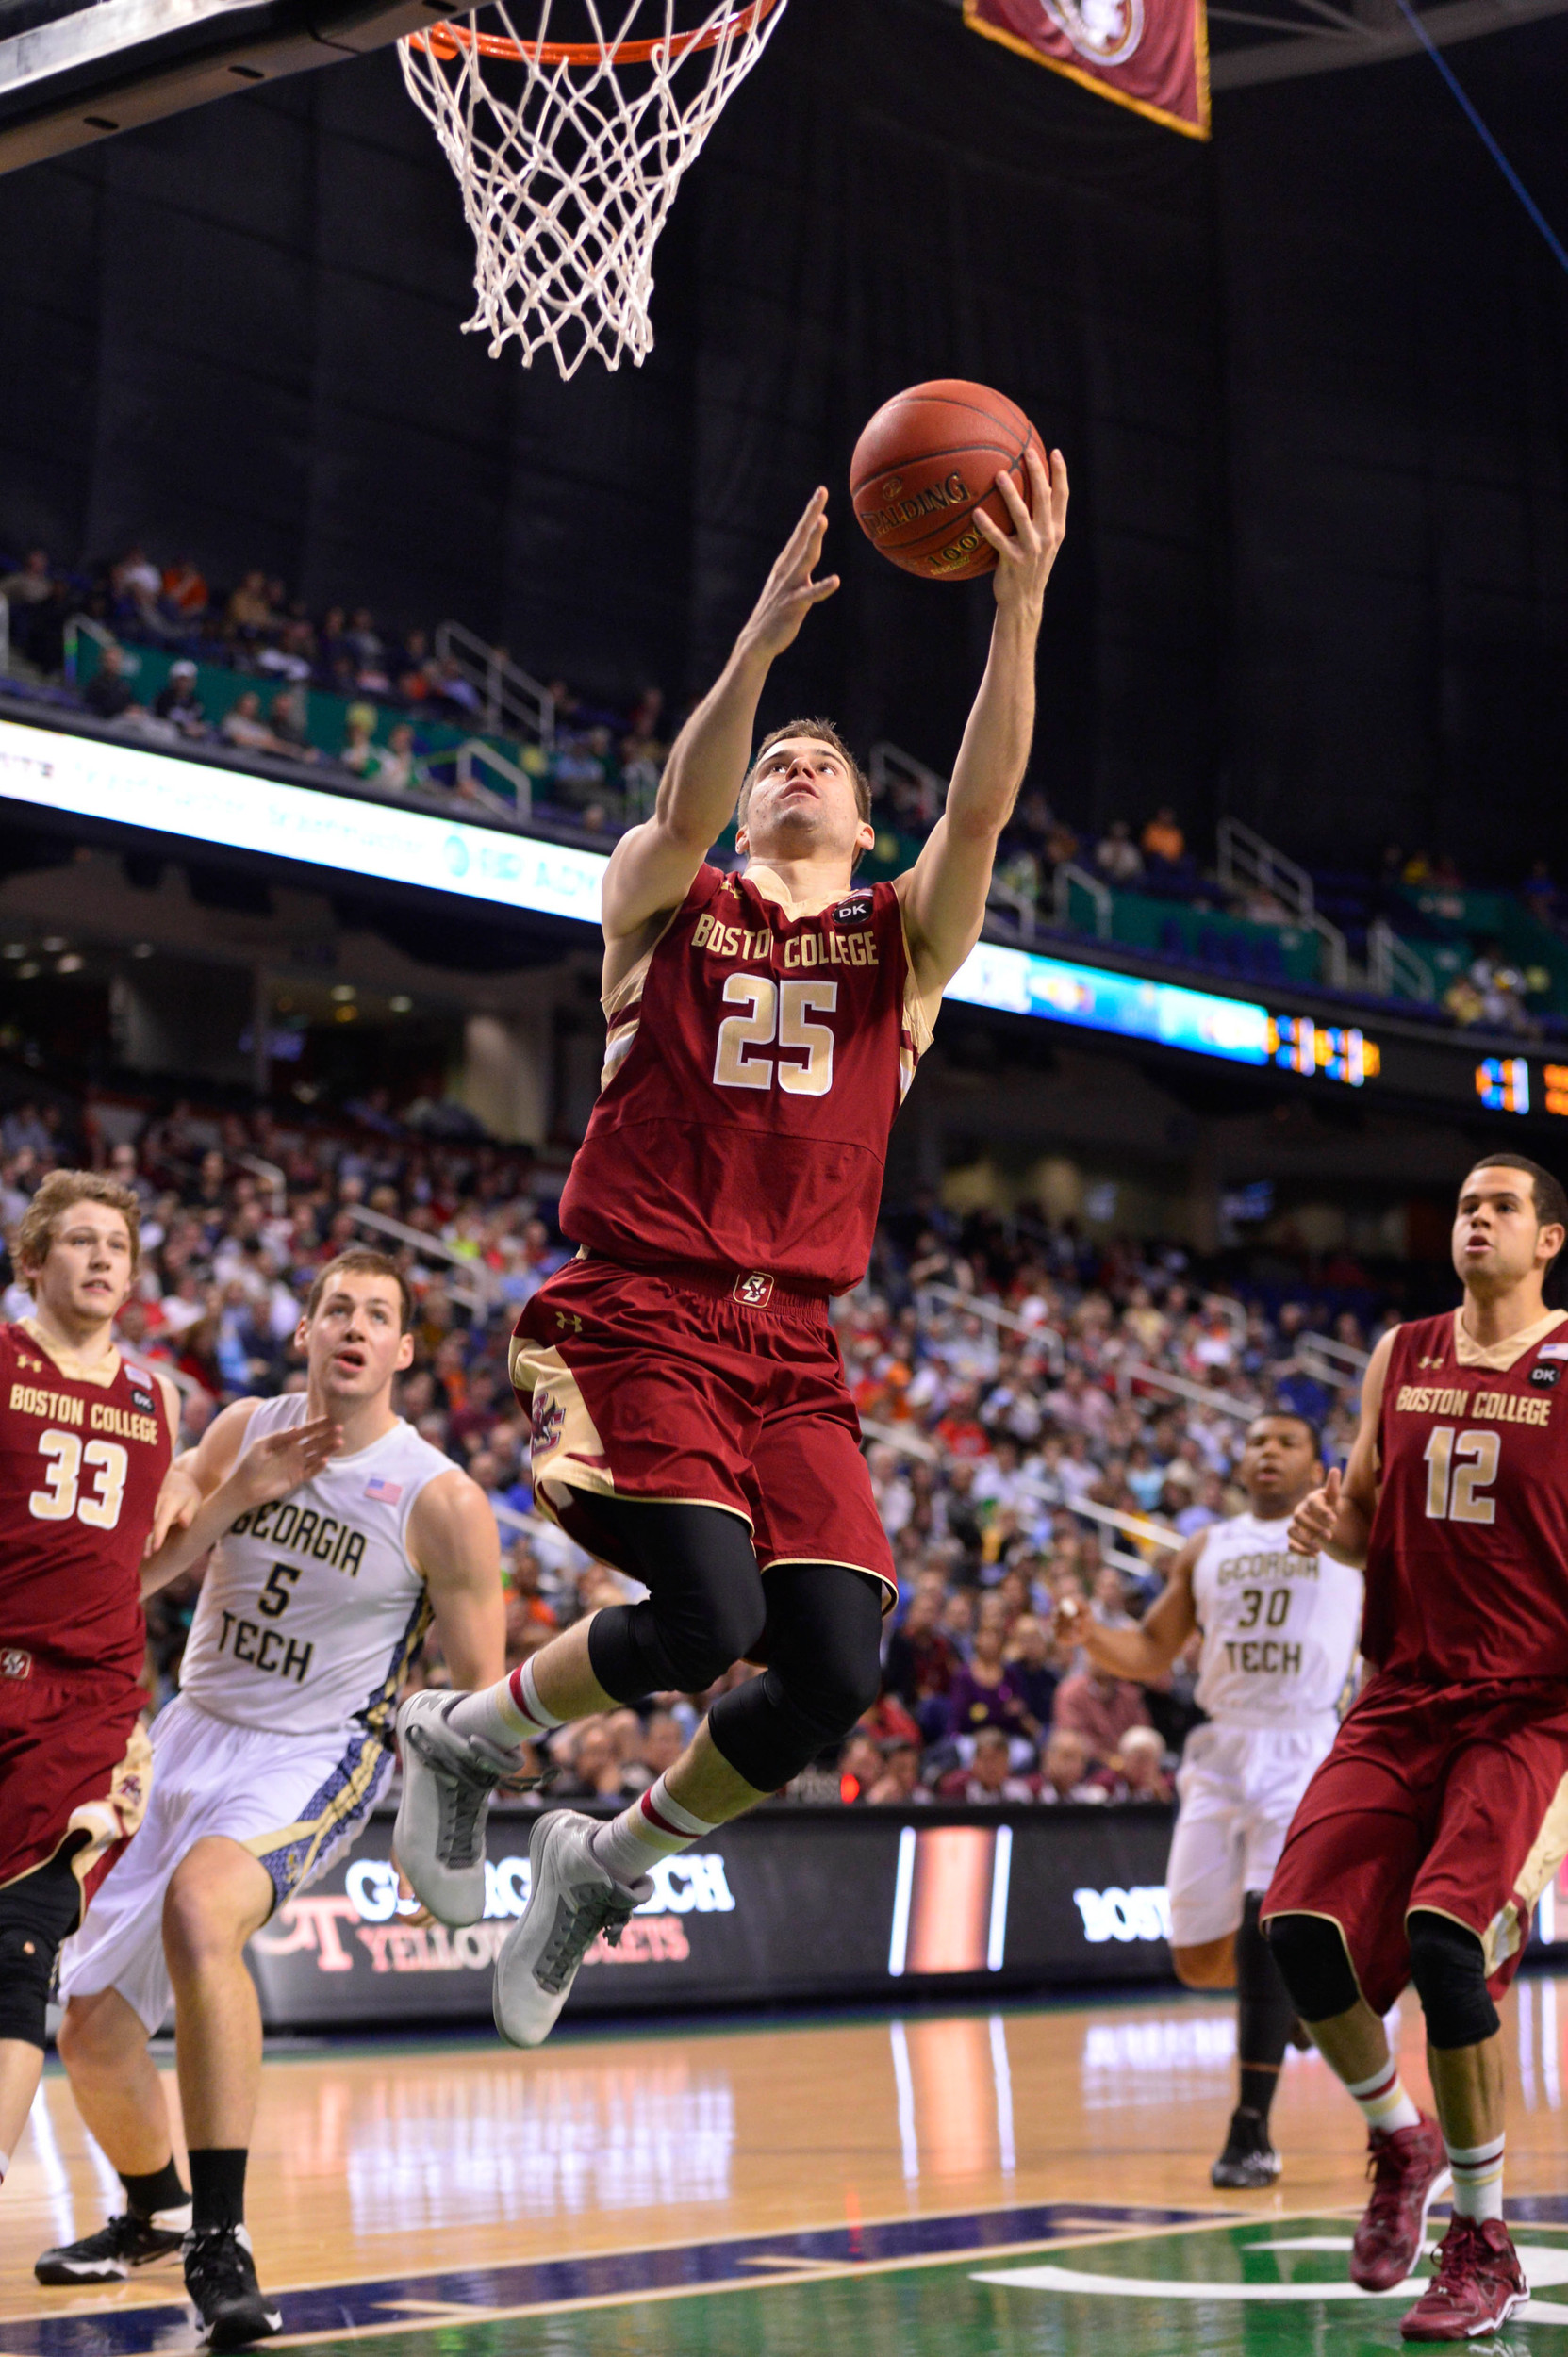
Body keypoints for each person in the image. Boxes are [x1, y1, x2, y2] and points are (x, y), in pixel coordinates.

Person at [394, 451, 1070, 2043]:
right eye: (780, 754)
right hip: (636, 1305)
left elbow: (979, 802)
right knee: (707, 1614)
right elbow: (678, 800)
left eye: (825, 758)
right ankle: (467, 1739)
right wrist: (755, 654)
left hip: (793, 1346)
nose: (799, 765)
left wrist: (1018, 608)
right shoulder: (661, 896)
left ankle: (604, 1860)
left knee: (830, 1667)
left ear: (859, 813)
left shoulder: (901, 942)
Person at [37, 1249, 504, 2350]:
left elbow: (482, 1696)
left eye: (378, 1314)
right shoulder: (241, 1426)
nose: (354, 1324)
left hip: (316, 1751)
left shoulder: (439, 1497)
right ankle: (152, 2211)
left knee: (203, 1913)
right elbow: (134, 1580)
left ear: (399, 1352)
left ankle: (221, 2236)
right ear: (303, 1332)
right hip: (187, 1731)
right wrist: (231, 1488)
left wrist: (447, 1817)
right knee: (91, 2030)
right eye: (335, 1305)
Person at [1263, 1156, 1568, 2341]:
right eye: (1463, 1206)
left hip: (1530, 1707)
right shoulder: (1402, 1352)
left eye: (1500, 1208)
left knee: (1448, 1943)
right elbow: (1363, 1517)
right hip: (1403, 1691)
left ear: (1550, 1240)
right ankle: (1400, 2135)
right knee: (1298, 1926)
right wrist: (1326, 1525)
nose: (1475, 1220)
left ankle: (1485, 2242)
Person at [1056, 1412, 1361, 2188]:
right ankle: (1292, 2000)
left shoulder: (1350, 1536)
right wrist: (1092, 1634)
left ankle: (1249, 2129)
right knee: (1196, 1958)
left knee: (1267, 1920)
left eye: (1285, 1442)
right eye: (1255, 1441)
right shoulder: (1207, 1546)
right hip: (1221, 1746)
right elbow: (1154, 1650)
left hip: (1301, 1742)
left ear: (1313, 1460)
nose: (1266, 1452)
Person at [0, 1176, 182, 2200]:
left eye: (117, 1243)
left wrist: (230, 1484)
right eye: (78, 1240)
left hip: (84, 1704)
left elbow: (136, 1560)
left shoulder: (156, 1396)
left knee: (20, 1951)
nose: (102, 1258)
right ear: (33, 1261)